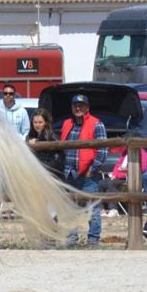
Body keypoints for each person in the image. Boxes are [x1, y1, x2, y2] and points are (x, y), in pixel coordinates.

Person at [60, 94, 106, 248]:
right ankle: (72, 238)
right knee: (70, 207)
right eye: (75, 105)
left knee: (92, 208)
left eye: (81, 105)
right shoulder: (67, 124)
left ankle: (93, 240)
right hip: (69, 173)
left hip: (88, 175)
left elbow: (103, 150)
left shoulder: (96, 124)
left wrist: (92, 169)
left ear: (87, 107)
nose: (78, 108)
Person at [101, 141, 147, 217]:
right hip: (119, 178)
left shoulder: (141, 153)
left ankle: (113, 209)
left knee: (111, 183)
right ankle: (100, 208)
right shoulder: (125, 153)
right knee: (101, 183)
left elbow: (142, 168)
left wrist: (127, 168)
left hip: (130, 179)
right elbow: (117, 165)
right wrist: (114, 174)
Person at [26, 108, 63, 177]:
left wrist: (45, 168)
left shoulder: (53, 137)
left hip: (50, 175)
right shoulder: (29, 136)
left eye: (40, 122)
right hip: (33, 174)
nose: (37, 125)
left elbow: (59, 157)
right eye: (35, 122)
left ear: (46, 123)